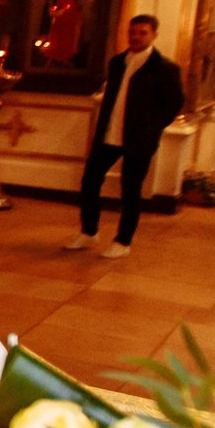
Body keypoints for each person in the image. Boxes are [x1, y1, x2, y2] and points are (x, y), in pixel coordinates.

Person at [65, 13, 183, 259]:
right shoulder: (117, 62)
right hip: (109, 133)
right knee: (90, 180)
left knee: (130, 189)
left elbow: (173, 104)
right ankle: (89, 231)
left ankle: (123, 241)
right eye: (133, 32)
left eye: (142, 33)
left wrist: (152, 127)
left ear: (153, 35)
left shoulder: (164, 68)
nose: (136, 37)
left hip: (139, 138)